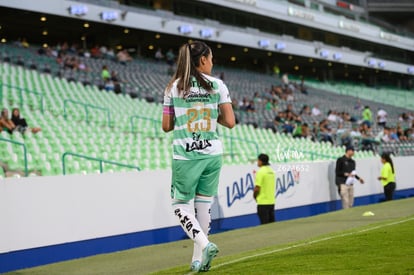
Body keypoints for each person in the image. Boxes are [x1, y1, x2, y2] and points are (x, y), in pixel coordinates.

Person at [162, 41, 235, 272]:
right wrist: (212, 116)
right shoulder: (218, 85)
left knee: (180, 205)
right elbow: (230, 122)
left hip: (186, 155)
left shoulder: (174, 87)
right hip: (213, 153)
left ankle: (204, 245)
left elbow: (166, 126)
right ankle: (198, 260)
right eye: (211, 58)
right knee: (203, 207)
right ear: (202, 60)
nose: (212, 62)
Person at [253, 154, 276, 224]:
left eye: (258, 160)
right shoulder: (272, 171)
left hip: (263, 202)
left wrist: (254, 196)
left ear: (260, 161)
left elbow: (257, 188)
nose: (257, 162)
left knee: (264, 225)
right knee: (272, 225)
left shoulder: (260, 172)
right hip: (271, 201)